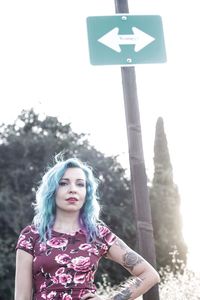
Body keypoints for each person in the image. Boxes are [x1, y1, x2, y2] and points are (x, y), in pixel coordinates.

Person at [15, 154, 160, 300]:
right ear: (52, 190)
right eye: (64, 183)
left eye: (80, 184)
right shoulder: (31, 235)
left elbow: (149, 275)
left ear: (87, 192)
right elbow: (21, 297)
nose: (73, 189)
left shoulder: (98, 234)